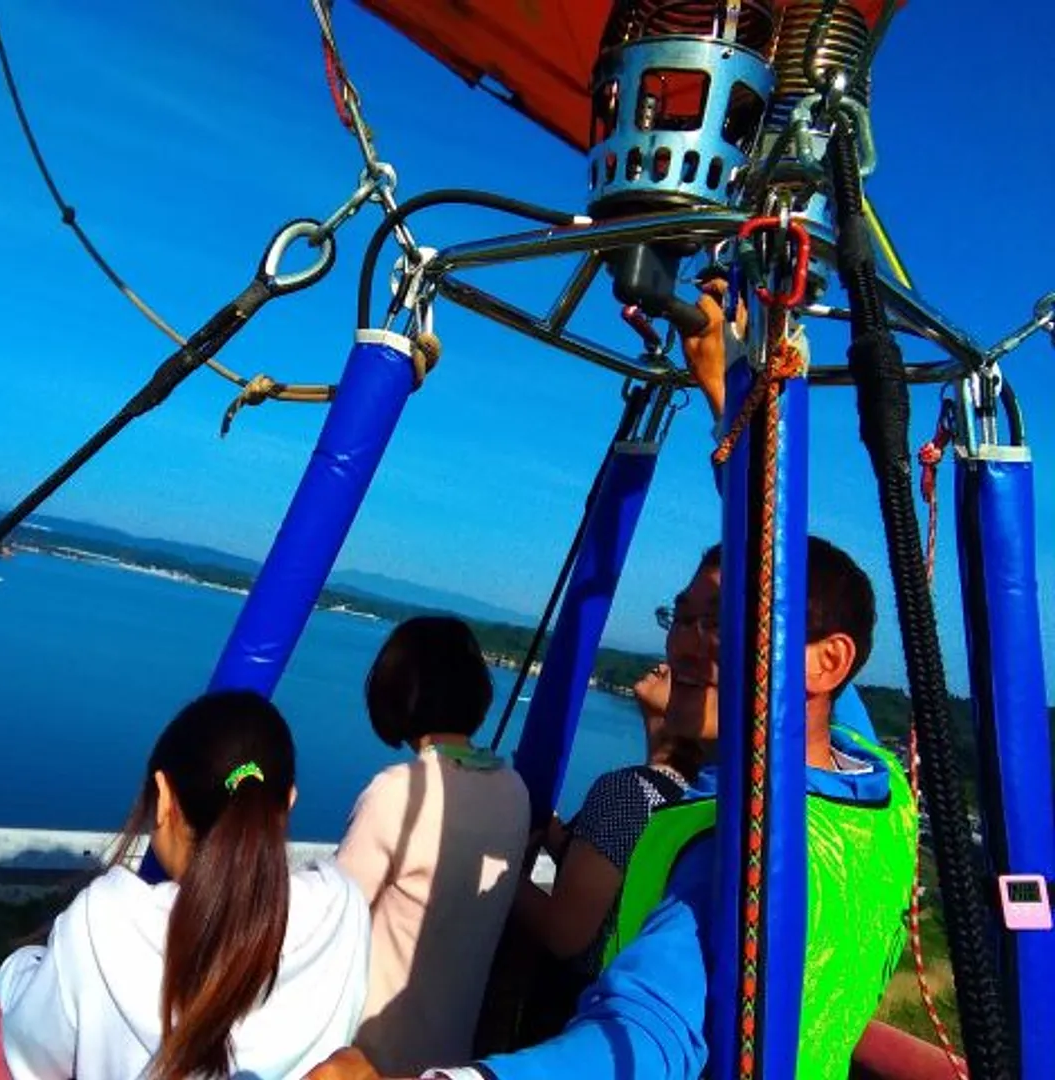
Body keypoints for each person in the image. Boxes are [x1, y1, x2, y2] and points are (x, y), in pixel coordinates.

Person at [303, 289, 918, 1080]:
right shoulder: (874, 788)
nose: (692, 642)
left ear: (827, 663)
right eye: (686, 616)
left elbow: (645, 1035)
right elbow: (790, 599)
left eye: (724, 622)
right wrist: (728, 401)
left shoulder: (739, 850)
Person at [0, 690, 371, 1080]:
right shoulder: (343, 909)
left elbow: (31, 1054)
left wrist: (16, 969)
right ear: (288, 803)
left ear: (163, 796)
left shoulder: (106, 922)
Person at [336, 616, 532, 1076]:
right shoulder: (514, 791)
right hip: (452, 1057)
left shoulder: (395, 792)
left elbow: (332, 914)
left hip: (367, 1056)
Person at [505, 663, 701, 1044]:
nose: (664, 663)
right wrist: (554, 853)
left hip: (568, 1014)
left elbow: (565, 933)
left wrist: (508, 868)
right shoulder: (689, 800)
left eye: (685, 672)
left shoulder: (628, 794)